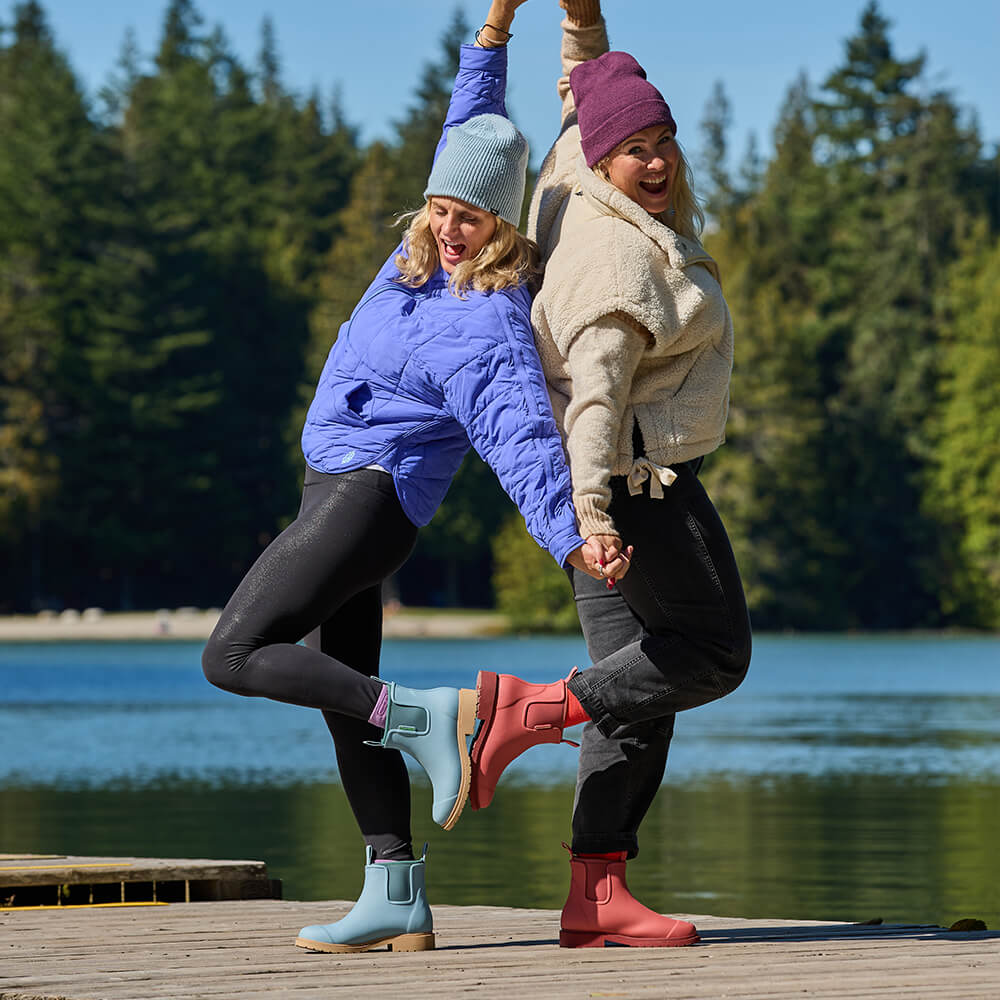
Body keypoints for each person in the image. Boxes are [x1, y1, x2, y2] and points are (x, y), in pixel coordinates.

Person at [202, 0, 622, 955]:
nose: (450, 226)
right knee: (340, 696)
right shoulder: (416, 257)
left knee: (233, 654)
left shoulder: (485, 316)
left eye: (471, 216)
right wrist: (495, 29)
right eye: (441, 207)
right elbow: (470, 127)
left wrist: (572, 535)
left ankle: (430, 716)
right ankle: (394, 891)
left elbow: (521, 438)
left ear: (503, 222)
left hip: (368, 500)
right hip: (337, 491)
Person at [467, 0, 752, 949]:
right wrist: (594, 518)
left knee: (637, 686)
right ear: (605, 158)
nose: (659, 162)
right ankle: (525, 711)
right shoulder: (620, 262)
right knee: (711, 653)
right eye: (638, 150)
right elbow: (596, 399)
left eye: (665, 142)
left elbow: (579, 96)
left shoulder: (572, 174)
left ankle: (596, 897)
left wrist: (580, 21)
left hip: (589, 492)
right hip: (634, 485)